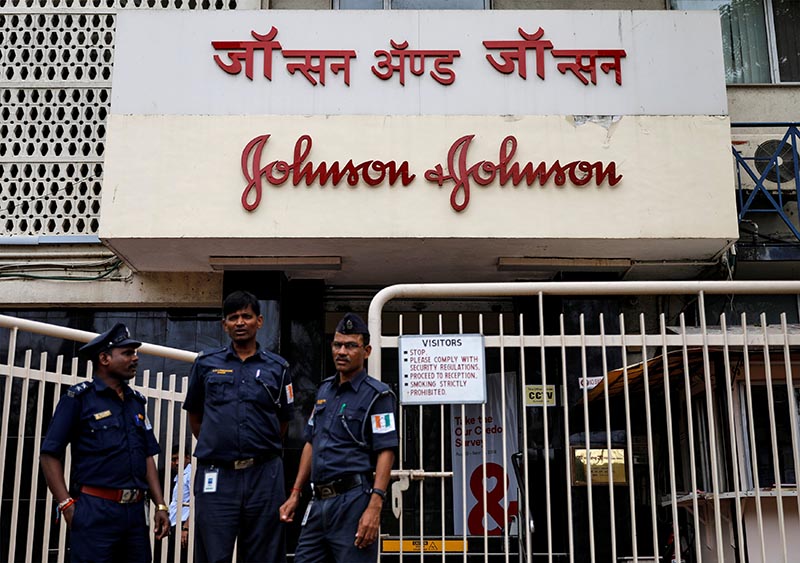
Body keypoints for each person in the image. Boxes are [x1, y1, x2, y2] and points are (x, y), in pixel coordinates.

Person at [40, 323, 170, 563]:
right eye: (127, 353)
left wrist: (160, 505)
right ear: (104, 358)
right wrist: (66, 504)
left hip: (135, 513)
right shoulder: (79, 398)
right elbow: (49, 454)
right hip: (96, 509)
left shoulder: (136, 402)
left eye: (135, 353)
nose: (135, 358)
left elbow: (146, 456)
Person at [183, 290, 294, 563]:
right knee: (213, 554)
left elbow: (283, 420)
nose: (240, 322)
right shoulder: (205, 364)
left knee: (264, 555)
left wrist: (256, 449)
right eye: (233, 317)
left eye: (246, 316)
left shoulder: (278, 368)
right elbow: (195, 415)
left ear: (259, 321)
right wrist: (222, 446)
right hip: (217, 473)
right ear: (224, 325)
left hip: (264, 475)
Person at [280, 313, 398, 563]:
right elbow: (311, 442)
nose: (342, 352)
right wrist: (295, 492)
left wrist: (375, 505)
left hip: (353, 501)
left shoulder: (378, 396)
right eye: (337, 345)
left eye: (351, 346)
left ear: (366, 351)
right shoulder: (324, 390)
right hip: (318, 502)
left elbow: (386, 451)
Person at [167, 446, 192, 563]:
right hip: (175, 523)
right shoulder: (180, 476)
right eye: (173, 459)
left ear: (188, 458)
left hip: (183, 523)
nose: (176, 463)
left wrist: (186, 527)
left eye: (179, 458)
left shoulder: (190, 473)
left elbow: (196, 502)